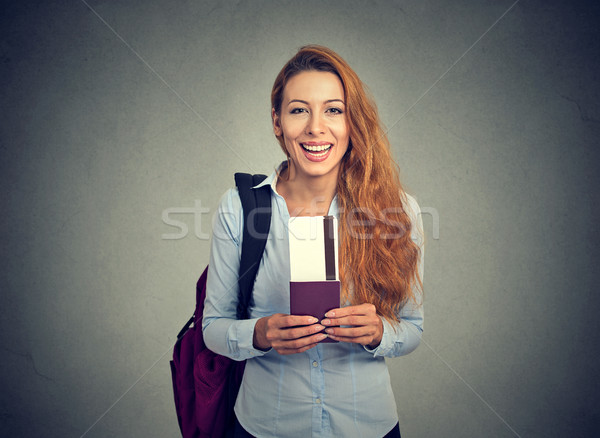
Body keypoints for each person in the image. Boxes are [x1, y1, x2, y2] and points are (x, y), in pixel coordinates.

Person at [202, 45, 424, 438]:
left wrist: (378, 333)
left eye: (333, 110)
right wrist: (260, 334)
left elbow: (412, 329)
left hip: (365, 424)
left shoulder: (398, 210)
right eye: (299, 109)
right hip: (265, 424)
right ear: (277, 121)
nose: (315, 128)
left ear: (352, 121)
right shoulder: (239, 206)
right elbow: (213, 327)